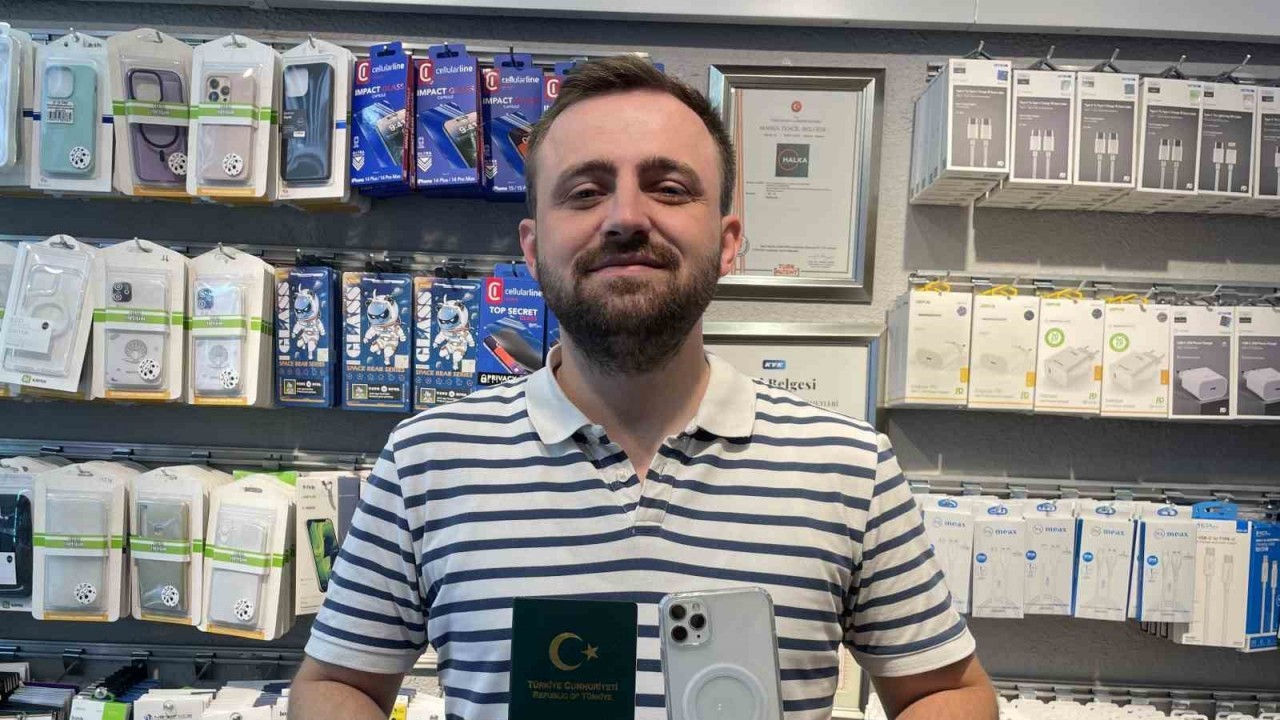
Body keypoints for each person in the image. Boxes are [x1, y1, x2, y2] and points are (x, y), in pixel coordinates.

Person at [291, 55, 997, 720]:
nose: (626, 218)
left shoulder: (849, 468)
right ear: (533, 249)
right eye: (585, 192)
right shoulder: (427, 460)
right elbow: (336, 683)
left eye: (669, 188)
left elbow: (947, 691)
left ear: (728, 242)